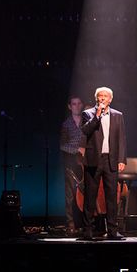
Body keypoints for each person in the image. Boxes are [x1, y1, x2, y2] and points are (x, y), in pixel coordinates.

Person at [80, 86, 127, 240]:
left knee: (111, 197)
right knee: (90, 197)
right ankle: (88, 231)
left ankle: (113, 231)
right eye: (100, 96)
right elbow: (85, 131)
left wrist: (122, 159)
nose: (102, 99)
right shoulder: (88, 114)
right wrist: (97, 115)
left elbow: (121, 139)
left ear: (110, 99)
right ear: (96, 99)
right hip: (93, 160)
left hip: (110, 160)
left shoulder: (117, 115)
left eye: (105, 96)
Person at [60, 96, 85, 235]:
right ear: (70, 106)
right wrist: (77, 149)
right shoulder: (66, 124)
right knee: (70, 193)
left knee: (85, 192)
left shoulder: (86, 122)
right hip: (71, 162)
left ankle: (85, 223)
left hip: (85, 162)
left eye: (78, 103)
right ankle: (70, 223)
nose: (76, 106)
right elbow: (62, 145)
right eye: (73, 104)